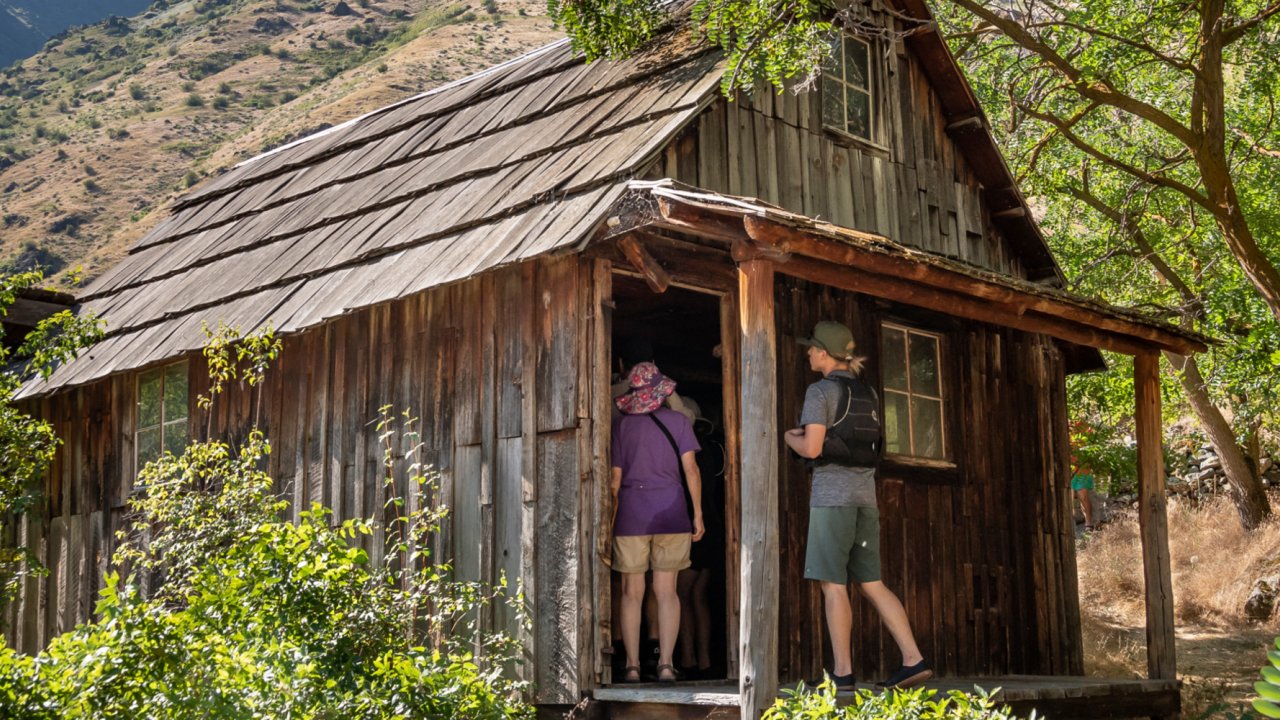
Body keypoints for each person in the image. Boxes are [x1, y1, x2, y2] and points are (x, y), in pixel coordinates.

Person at [783, 321, 931, 691]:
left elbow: (812, 448)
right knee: (872, 583)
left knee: (833, 586)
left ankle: (843, 673)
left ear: (824, 353)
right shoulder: (869, 393)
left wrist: (788, 437)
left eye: (812, 348)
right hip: (866, 498)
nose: (808, 353)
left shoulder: (820, 391)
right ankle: (913, 659)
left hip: (832, 499)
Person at [611, 362, 705, 683]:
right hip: (672, 512)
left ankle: (632, 666)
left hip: (631, 515)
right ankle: (665, 664)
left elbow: (614, 481)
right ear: (662, 392)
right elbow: (691, 470)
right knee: (667, 592)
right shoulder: (679, 422)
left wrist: (609, 521)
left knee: (631, 593)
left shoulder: (622, 426)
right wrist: (698, 513)